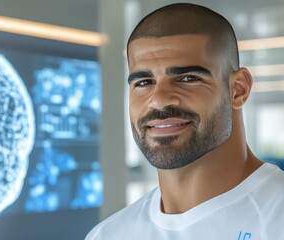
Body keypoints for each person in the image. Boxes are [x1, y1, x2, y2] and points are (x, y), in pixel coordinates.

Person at [85, 2, 284, 239]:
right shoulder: (108, 235)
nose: (158, 100)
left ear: (238, 89)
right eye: (144, 82)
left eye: (187, 78)